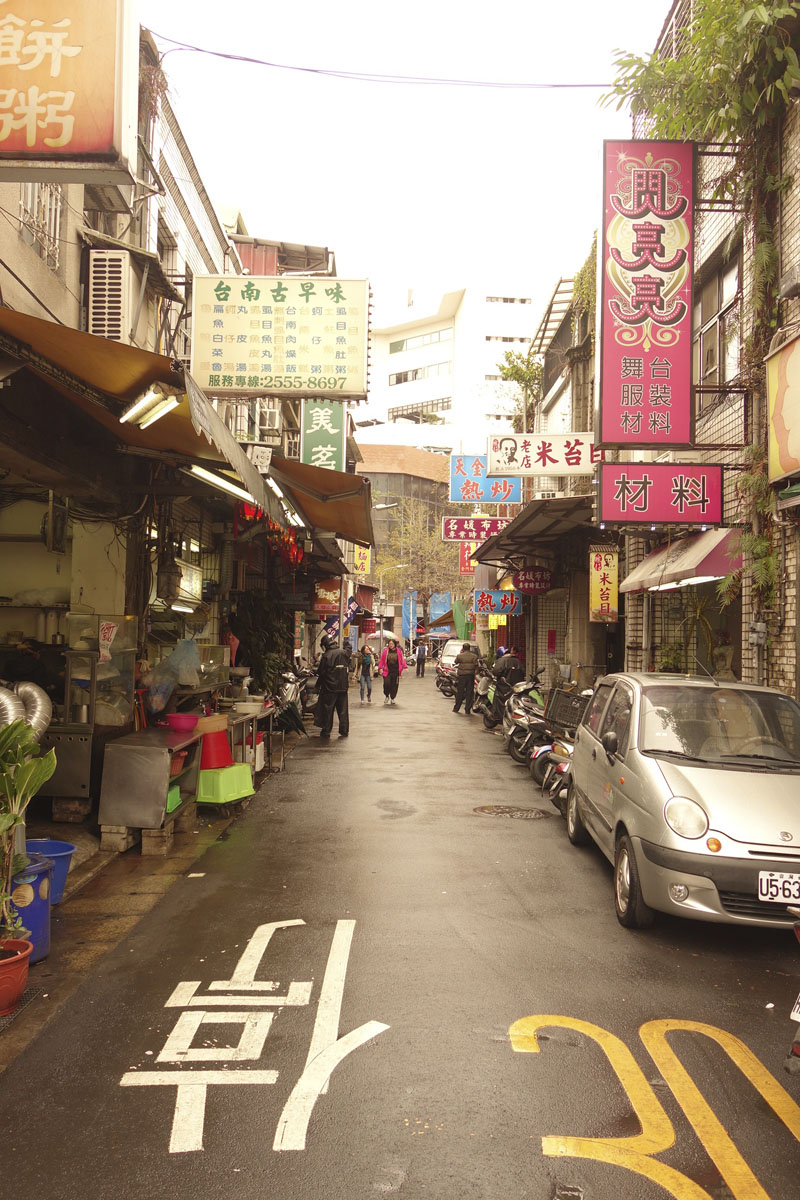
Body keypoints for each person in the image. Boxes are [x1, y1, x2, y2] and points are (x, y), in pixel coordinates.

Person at [315, 634, 350, 738]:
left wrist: (317, 686)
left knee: (328, 710)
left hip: (329, 688)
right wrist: (346, 641)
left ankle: (326, 731)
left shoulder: (326, 656)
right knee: (343, 710)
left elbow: (321, 672)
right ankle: (344, 731)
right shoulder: (343, 653)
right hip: (343, 687)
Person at [377, 638, 407, 705]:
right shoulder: (385, 651)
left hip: (395, 671)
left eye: (392, 644)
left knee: (394, 685)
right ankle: (387, 695)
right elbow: (382, 660)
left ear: (395, 644)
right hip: (387, 671)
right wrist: (380, 668)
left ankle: (392, 698)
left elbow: (402, 660)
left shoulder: (399, 651)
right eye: (389, 644)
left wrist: (405, 667)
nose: (391, 645)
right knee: (386, 684)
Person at [452, 642, 480, 714]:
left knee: (460, 692)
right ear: (469, 648)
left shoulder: (459, 656)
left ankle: (456, 708)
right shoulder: (474, 656)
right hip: (470, 676)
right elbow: (476, 666)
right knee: (469, 693)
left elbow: (456, 662)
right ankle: (467, 709)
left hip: (462, 676)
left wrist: (460, 653)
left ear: (463, 648)